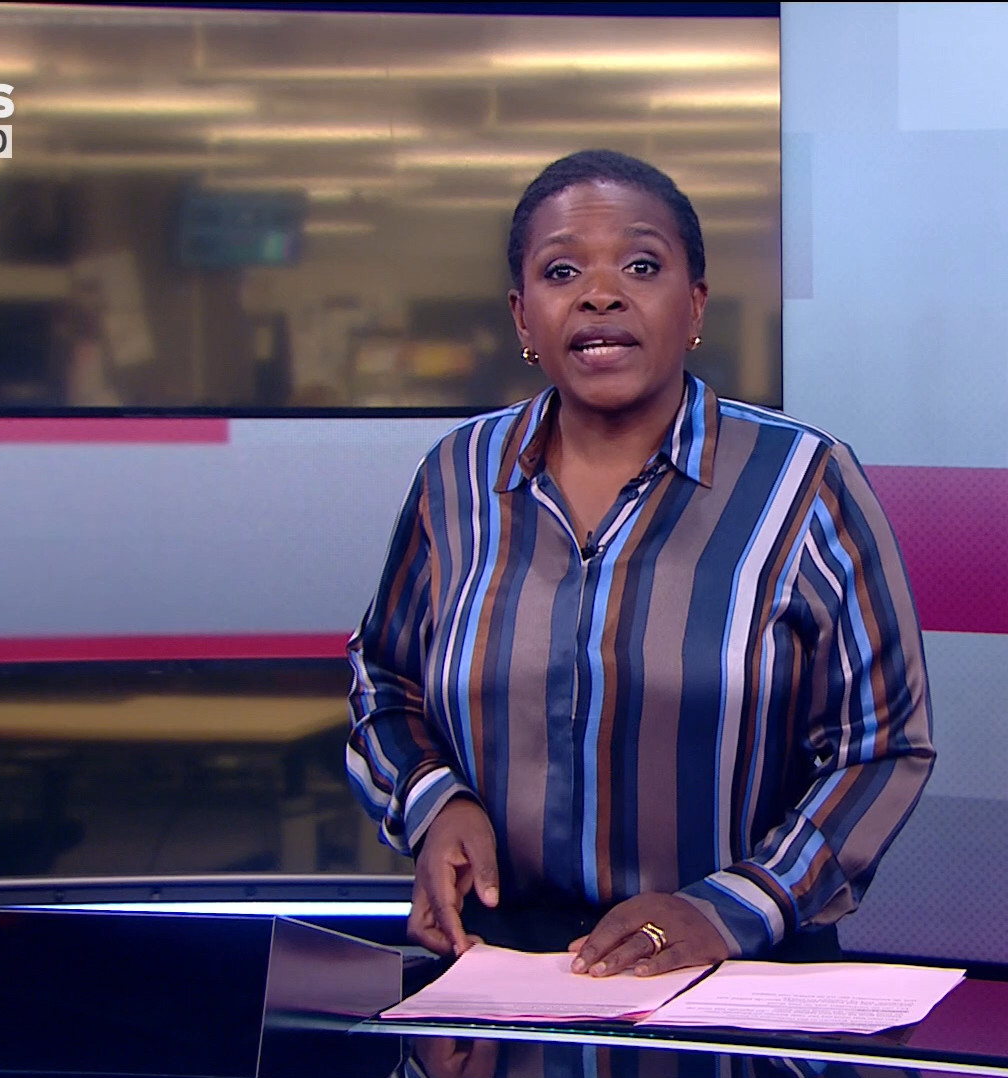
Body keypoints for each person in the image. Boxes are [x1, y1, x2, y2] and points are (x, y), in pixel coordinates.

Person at [346, 150, 932, 978]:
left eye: (642, 266)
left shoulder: (804, 482)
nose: (600, 295)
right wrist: (434, 802)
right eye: (561, 272)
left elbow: (883, 743)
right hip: (496, 969)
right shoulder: (456, 479)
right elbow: (384, 680)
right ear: (522, 318)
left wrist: (732, 909)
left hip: (734, 976)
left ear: (695, 304)